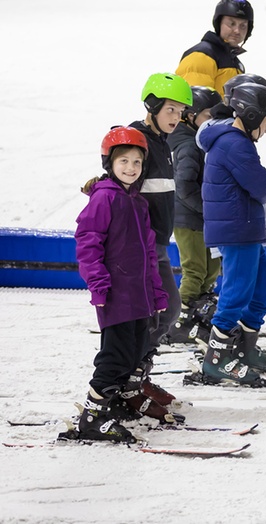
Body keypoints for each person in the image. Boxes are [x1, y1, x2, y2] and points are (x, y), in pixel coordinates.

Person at [75, 127, 178, 442]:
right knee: (115, 356)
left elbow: (149, 254)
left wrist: (157, 293)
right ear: (110, 163)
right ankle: (91, 417)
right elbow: (87, 243)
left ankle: (115, 404)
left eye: (136, 162)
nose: (131, 168)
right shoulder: (104, 198)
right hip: (117, 295)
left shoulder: (137, 203)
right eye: (124, 161)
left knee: (134, 353)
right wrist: (98, 284)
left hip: (140, 296)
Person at [197, 82, 266, 387]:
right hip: (237, 230)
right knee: (236, 293)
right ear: (250, 116)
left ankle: (245, 350)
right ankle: (217, 360)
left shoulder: (234, 142)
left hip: (245, 228)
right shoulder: (235, 144)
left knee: (264, 289)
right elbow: (262, 187)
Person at [129, 73, 192, 403]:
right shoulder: (135, 139)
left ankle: (137, 377)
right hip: (141, 246)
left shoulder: (161, 143)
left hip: (159, 244)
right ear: (152, 106)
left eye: (180, 112)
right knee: (155, 312)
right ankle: (127, 381)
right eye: (170, 109)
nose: (176, 118)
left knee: (166, 310)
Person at [166, 86, 224, 345]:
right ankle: (178, 321)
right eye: (208, 115)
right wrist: (207, 208)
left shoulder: (202, 141)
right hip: (187, 219)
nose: (213, 121)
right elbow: (184, 186)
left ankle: (200, 316)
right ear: (189, 115)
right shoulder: (189, 146)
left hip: (202, 218)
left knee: (212, 269)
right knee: (195, 270)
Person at [176, 0, 255, 97]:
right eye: (231, 24)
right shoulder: (202, 55)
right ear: (219, 23)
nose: (237, 31)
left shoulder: (234, 63)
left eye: (243, 26)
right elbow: (195, 102)